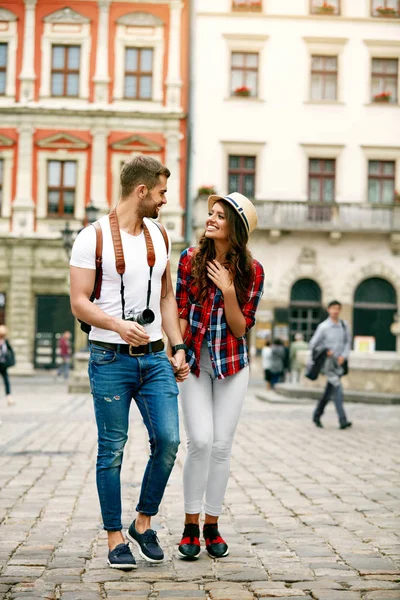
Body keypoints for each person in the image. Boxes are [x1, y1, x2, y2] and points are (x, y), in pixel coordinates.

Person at [69, 155, 189, 570]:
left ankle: (142, 522)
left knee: (170, 442)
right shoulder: (92, 238)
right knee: (112, 450)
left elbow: (168, 296)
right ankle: (115, 537)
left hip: (156, 358)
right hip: (109, 358)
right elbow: (79, 302)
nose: (164, 201)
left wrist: (178, 346)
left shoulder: (160, 235)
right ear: (141, 191)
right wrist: (118, 326)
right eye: (160, 193)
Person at [174, 191, 264, 560]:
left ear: (236, 229)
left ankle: (211, 524)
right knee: (200, 440)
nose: (210, 219)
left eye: (220, 216)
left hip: (231, 365)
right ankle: (189, 524)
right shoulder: (189, 260)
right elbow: (180, 309)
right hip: (195, 361)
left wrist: (228, 290)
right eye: (210, 213)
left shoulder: (252, 271)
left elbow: (241, 329)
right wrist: (176, 348)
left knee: (222, 446)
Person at [310, 300, 352, 430]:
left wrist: (343, 356)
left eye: (338, 308)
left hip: (339, 363)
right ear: (328, 310)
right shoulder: (323, 327)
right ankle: (342, 419)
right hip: (328, 364)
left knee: (329, 391)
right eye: (333, 308)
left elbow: (347, 343)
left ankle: (317, 415)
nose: (335, 311)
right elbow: (313, 344)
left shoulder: (344, 326)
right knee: (338, 388)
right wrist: (326, 350)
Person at [0, 325, 15, 410]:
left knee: (6, 381)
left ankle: (9, 397)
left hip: (2, 364)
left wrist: (10, 360)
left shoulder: (5, 341)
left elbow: (11, 351)